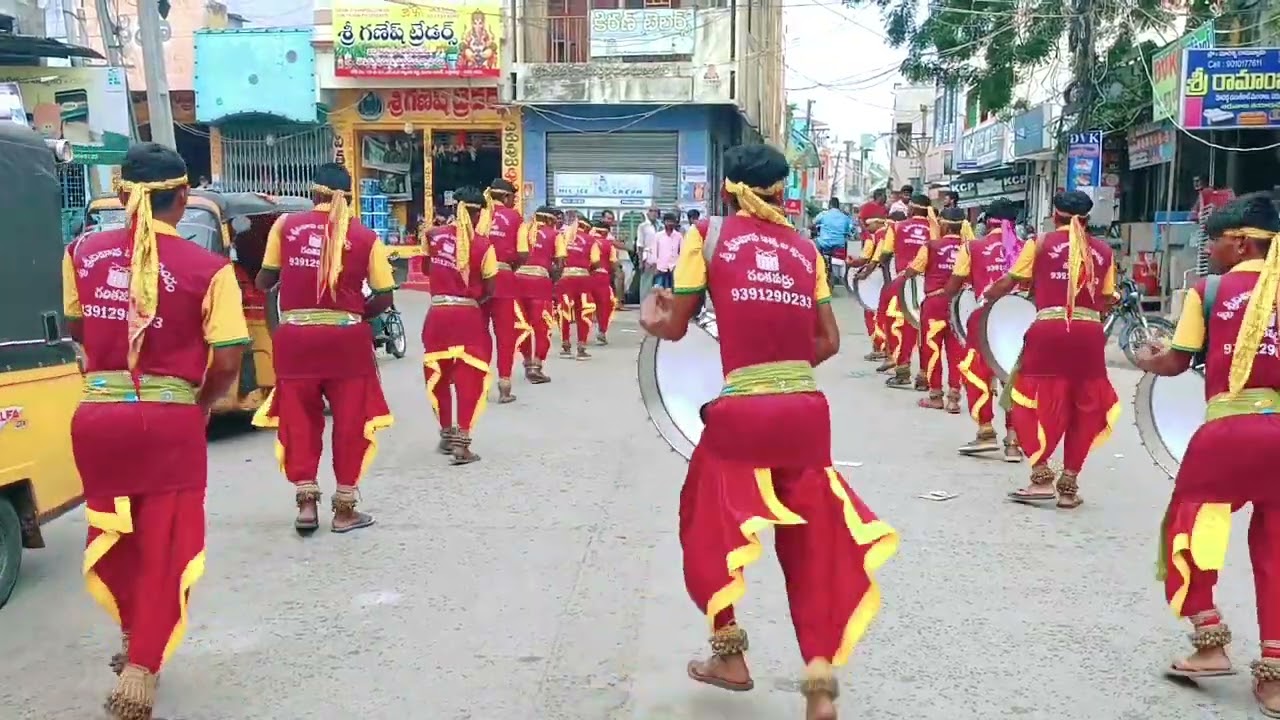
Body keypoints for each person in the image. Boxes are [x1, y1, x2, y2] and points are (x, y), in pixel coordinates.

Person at [640, 143, 897, 720]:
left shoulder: (707, 235)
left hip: (743, 415)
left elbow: (676, 327)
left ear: (730, 188)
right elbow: (829, 341)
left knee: (708, 527)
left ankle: (730, 656)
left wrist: (651, 315)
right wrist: (783, 367)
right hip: (807, 413)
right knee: (812, 550)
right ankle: (821, 690)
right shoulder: (808, 250)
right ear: (784, 190)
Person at [64, 143, 249, 718]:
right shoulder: (212, 270)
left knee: (117, 535)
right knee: (166, 544)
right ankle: (141, 665)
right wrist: (199, 404)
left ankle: (130, 633)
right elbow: (228, 361)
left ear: (121, 194)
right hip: (168, 420)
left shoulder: (80, 253)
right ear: (184, 196)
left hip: (97, 419)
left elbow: (78, 330)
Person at [1135, 193, 1280, 715]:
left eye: (1213, 241)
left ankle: (1210, 640)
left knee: (1188, 528)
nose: (1209, 251)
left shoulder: (1210, 290)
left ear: (1240, 241)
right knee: (1277, 552)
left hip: (1230, 433)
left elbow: (1176, 363)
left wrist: (1149, 358)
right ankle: (1275, 678)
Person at [253, 163, 396, 534]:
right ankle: (345, 509)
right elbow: (384, 295)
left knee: (300, 419)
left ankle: (305, 506)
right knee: (350, 421)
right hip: (346, 341)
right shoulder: (365, 237)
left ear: (312, 192)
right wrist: (353, 314)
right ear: (348, 196)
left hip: (296, 339)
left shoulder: (285, 226)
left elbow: (265, 280)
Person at [983, 191, 1120, 508]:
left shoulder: (1040, 243)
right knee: (1086, 406)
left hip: (1050, 329)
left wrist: (989, 295)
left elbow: (1012, 280)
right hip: (1089, 333)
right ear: (1086, 218)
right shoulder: (1103, 251)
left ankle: (1041, 475)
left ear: (1054, 214)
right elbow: (1108, 297)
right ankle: (1069, 484)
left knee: (1025, 398)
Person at [422, 186, 498, 465]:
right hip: (467, 316)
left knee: (439, 375)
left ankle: (445, 432)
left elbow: (426, 269)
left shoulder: (431, 235)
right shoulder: (484, 245)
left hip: (438, 314)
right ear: (478, 213)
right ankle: (462, 442)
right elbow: (490, 286)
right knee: (469, 379)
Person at [943, 198, 1023, 460]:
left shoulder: (973, 247)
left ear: (987, 221)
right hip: (1017, 319)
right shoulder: (1025, 247)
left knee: (977, 372)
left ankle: (986, 430)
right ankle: (1013, 440)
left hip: (984, 318)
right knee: (1014, 378)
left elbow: (954, 286)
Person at [902, 206, 965, 412]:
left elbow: (913, 271)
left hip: (935, 304)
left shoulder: (931, 246)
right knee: (956, 352)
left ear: (944, 224)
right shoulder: (970, 248)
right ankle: (954, 397)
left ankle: (936, 396)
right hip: (960, 305)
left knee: (932, 349)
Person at [476, 178, 528, 404]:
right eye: (513, 197)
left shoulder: (477, 214)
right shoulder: (515, 218)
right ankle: (504, 385)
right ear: (506, 197)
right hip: (504, 279)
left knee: (479, 333)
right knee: (505, 334)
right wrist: (511, 265)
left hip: (478, 279)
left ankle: (478, 384)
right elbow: (523, 252)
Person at [876, 194, 936, 389]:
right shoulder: (937, 228)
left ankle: (903, 370)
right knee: (927, 331)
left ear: (912, 208)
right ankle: (925, 375)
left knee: (903, 327)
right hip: (931, 284)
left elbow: (885, 254)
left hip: (905, 281)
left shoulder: (897, 227)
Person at [516, 206, 559, 384]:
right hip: (540, 281)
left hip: (518, 280)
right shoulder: (555, 235)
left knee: (522, 324)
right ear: (550, 220)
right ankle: (537, 365)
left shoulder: (523, 229)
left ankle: (527, 361)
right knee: (542, 325)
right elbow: (561, 262)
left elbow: (518, 254)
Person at [556, 213, 600, 359]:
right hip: (583, 279)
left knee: (565, 311)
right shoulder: (590, 240)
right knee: (583, 313)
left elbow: (558, 257)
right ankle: (581, 347)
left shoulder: (563, 236)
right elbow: (596, 261)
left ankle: (565, 345)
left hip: (566, 278)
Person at [849, 214, 888, 361]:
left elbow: (866, 259)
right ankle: (889, 349)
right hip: (891, 281)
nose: (866, 227)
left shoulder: (873, 237)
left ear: (878, 223)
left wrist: (854, 265)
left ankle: (878, 347)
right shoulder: (893, 233)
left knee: (871, 313)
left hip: (875, 280)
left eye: (868, 224)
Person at [588, 218, 618, 345]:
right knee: (604, 306)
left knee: (582, 306)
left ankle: (580, 337)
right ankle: (601, 332)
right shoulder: (609, 245)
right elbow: (614, 265)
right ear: (606, 233)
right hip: (602, 277)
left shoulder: (586, 241)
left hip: (585, 276)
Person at [813, 196, 853, 286]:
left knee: (813, 246)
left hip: (824, 243)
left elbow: (813, 222)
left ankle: (817, 267)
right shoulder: (845, 217)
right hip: (839, 245)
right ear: (838, 206)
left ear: (830, 205)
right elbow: (848, 231)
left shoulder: (824, 214)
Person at [648, 211, 682, 289]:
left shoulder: (679, 236)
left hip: (674, 268)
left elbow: (682, 252)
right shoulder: (658, 236)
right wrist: (655, 266)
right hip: (660, 268)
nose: (670, 223)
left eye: (672, 221)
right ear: (664, 222)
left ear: (675, 223)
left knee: (672, 292)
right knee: (658, 291)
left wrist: (679, 266)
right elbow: (653, 251)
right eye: (668, 221)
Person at [636, 207, 660, 298]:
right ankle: (645, 305)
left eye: (655, 211)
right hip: (647, 256)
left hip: (660, 256)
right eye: (651, 211)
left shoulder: (661, 226)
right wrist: (640, 261)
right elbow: (640, 244)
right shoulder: (642, 226)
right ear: (647, 213)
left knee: (658, 283)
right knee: (646, 282)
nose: (654, 213)